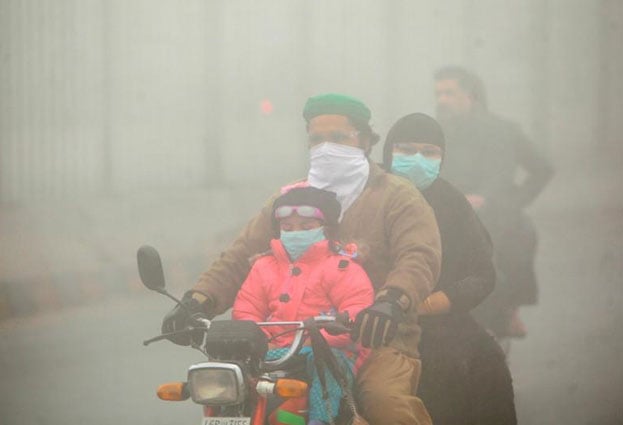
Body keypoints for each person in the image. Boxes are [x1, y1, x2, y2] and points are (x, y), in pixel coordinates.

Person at [162, 93, 442, 425]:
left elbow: (419, 256)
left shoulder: (397, 196)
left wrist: (392, 300)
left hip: (376, 337)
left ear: (366, 140)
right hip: (284, 343)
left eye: (337, 138)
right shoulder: (289, 201)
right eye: (316, 139)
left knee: (384, 403)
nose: (326, 147)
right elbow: (239, 256)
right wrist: (199, 300)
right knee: (232, 396)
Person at [383, 112, 517, 424]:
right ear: (387, 150)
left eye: (429, 152)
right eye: (405, 149)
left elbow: (482, 274)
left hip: (437, 319)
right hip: (367, 318)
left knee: (484, 365)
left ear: (442, 158)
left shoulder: (450, 201)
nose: (417, 159)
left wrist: (428, 305)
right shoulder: (367, 194)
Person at [232, 186, 374, 425]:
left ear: (326, 229)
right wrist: (257, 338)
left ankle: (322, 419)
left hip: (326, 353)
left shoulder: (342, 267)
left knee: (325, 363)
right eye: (288, 228)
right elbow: (246, 310)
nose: (295, 233)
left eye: (306, 227)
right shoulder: (263, 266)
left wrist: (328, 330)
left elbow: (357, 309)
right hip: (273, 353)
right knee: (229, 370)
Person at [434, 66, 554, 338]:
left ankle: (509, 312)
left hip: (498, 216)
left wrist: (514, 201)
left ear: (472, 95)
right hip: (449, 215)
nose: (441, 100)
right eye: (438, 94)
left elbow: (542, 169)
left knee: (517, 241)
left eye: (449, 93)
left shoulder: (504, 131)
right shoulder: (437, 134)